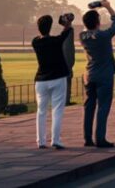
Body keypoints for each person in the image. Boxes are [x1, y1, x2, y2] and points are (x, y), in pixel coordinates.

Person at [80, 0, 115, 148]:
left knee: (89, 107)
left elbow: (89, 28)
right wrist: (108, 7)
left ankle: (87, 138)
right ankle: (100, 138)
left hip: (90, 74)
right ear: (98, 22)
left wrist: (92, 14)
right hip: (104, 75)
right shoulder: (103, 36)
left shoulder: (82, 36)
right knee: (103, 107)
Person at [32, 14, 73, 149]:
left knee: (41, 111)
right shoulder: (56, 41)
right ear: (50, 27)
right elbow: (67, 31)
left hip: (41, 80)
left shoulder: (36, 42)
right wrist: (66, 22)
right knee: (57, 110)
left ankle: (41, 141)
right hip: (58, 77)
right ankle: (55, 139)